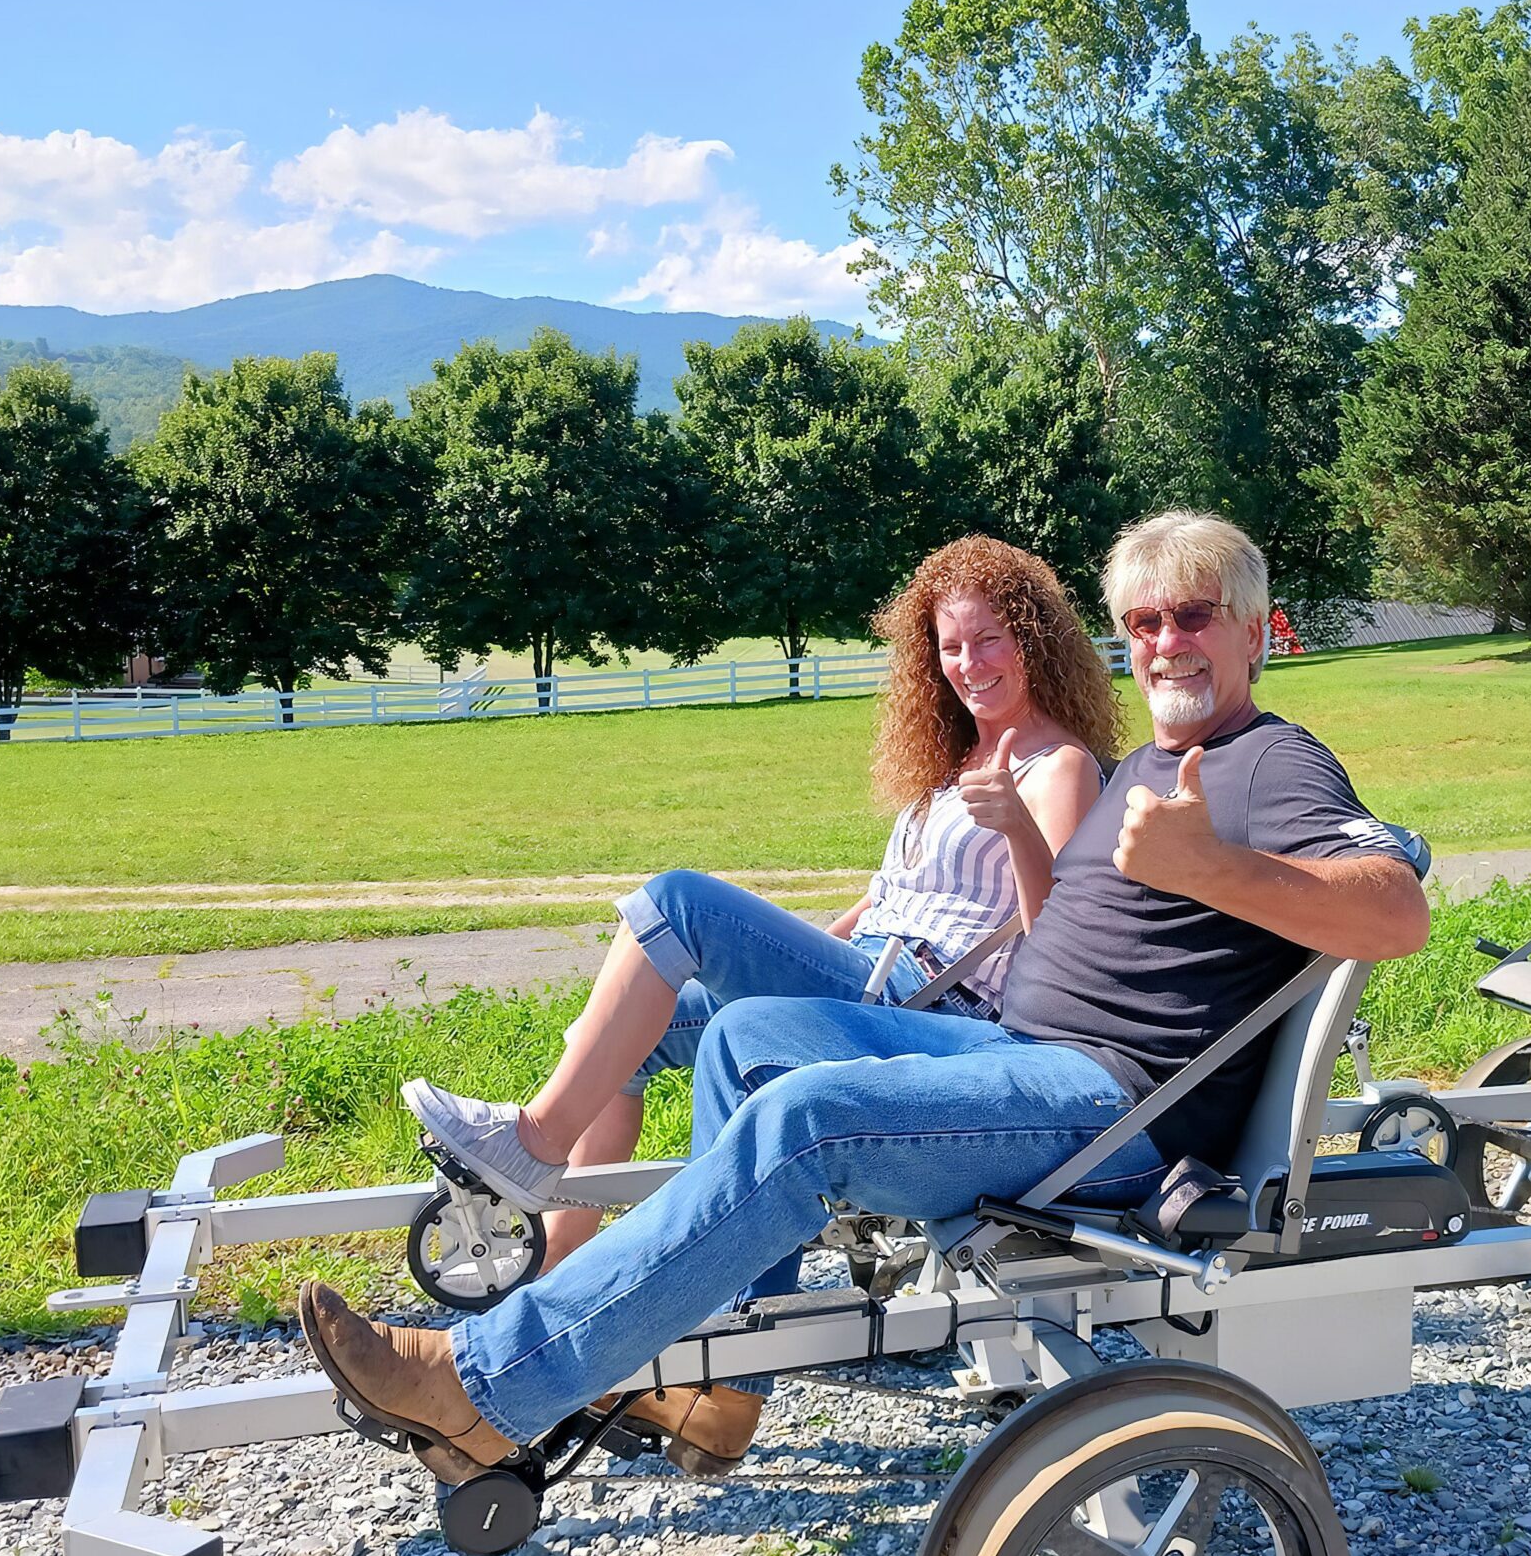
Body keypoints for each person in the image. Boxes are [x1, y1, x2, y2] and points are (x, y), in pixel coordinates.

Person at [300, 511, 1431, 1487]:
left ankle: (487, 1387)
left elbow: (1393, 910)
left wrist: (1220, 872)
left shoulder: (1273, 762)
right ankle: (726, 1376)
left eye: (1192, 617)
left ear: (1249, 629)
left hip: (1112, 1110)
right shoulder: (1148, 763)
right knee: (743, 1038)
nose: (1165, 644)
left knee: (811, 1120)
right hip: (1019, 1054)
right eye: (1143, 624)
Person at [402, 534, 1119, 1466]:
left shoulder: (1058, 767)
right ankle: (575, 1276)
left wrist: (1018, 825)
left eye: (989, 640)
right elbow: (879, 904)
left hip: (933, 1010)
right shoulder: (956, 762)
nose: (968, 664)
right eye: (949, 646)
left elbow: (1059, 935)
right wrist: (788, 951)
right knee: (618, 1032)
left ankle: (531, 1148)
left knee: (676, 904)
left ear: (1034, 641)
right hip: (864, 971)